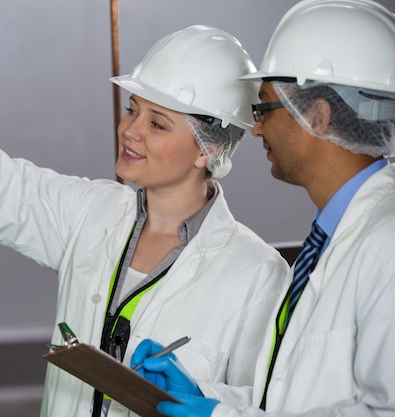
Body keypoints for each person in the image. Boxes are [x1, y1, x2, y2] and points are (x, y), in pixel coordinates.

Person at [0, 25, 289, 417]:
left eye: (158, 123)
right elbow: (0, 185)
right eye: (133, 109)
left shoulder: (256, 274)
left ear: (209, 149)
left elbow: (264, 403)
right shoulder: (95, 213)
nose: (130, 130)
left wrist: (202, 399)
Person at [131, 0, 395, 416]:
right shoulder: (334, 236)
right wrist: (208, 395)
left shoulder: (386, 242)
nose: (255, 128)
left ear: (317, 117)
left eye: (265, 107)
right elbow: (294, 396)